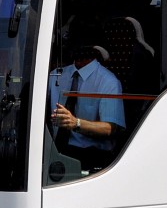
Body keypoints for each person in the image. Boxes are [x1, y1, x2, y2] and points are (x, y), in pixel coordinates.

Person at [48, 24, 125, 172]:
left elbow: (110, 128)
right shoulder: (56, 76)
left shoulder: (108, 82)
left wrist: (75, 123)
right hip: (55, 153)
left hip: (90, 157)